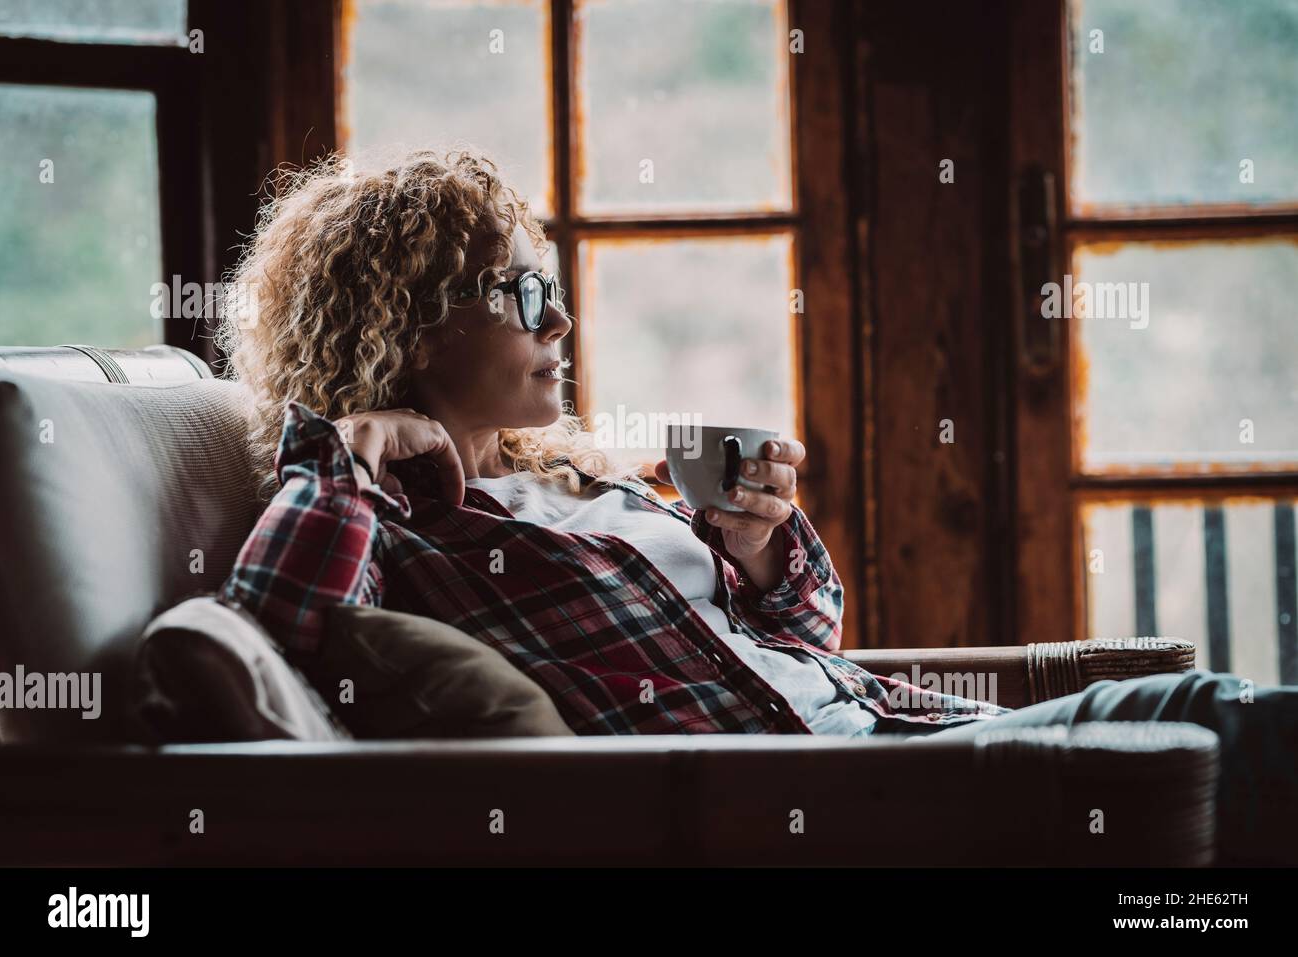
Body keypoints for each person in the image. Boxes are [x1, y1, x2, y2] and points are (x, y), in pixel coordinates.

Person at [215, 147, 1295, 861]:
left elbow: (800, 642)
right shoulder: (400, 523)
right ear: (409, 325)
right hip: (847, 801)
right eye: (525, 293)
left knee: (1231, 721)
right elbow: (277, 631)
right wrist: (342, 463)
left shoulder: (569, 485)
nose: (560, 322)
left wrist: (764, 551)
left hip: (886, 734)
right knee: (1220, 724)